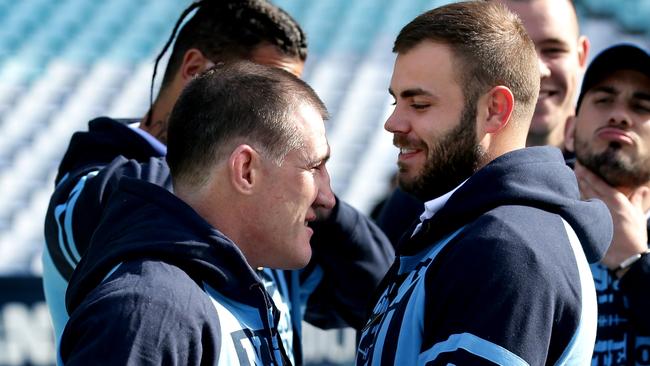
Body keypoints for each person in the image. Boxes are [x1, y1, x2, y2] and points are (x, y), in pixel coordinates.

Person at [43, 1, 394, 364]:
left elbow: (375, 297)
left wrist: (320, 199)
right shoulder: (97, 190)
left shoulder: (260, 212)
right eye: (261, 84)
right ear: (196, 72)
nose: (279, 103)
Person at [356, 1, 612, 365]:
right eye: (397, 101)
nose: (393, 123)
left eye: (420, 104)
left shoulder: (507, 248)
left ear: (494, 110)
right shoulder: (467, 230)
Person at [59, 61, 331, 364]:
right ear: (246, 170)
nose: (327, 198)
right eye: (315, 167)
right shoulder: (151, 312)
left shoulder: (199, 298)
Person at [374, 0, 590, 247]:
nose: (537, 69)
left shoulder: (620, 178)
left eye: (553, 50)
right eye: (517, 52)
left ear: (582, 55)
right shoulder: (422, 187)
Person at [564, 44, 650, 366]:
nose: (619, 115)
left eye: (641, 106)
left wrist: (634, 265)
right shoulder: (530, 225)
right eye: (603, 100)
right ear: (569, 131)